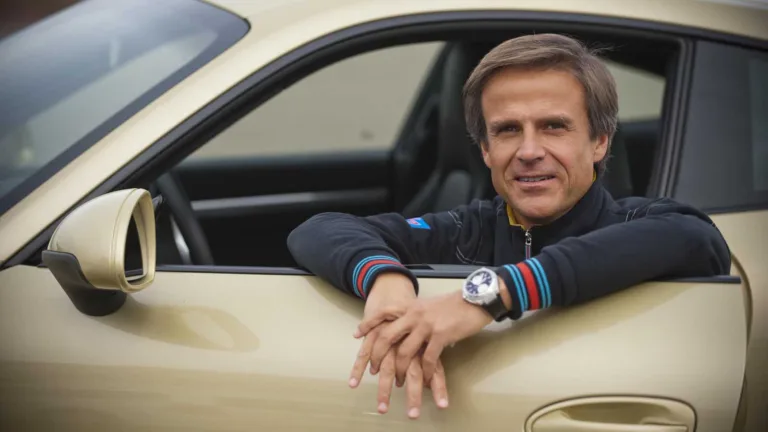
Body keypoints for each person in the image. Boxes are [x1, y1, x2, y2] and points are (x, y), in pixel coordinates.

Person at [286, 33, 731, 419]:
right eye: (507, 130)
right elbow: (319, 228)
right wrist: (386, 279)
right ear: (485, 150)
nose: (529, 151)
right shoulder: (469, 229)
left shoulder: (638, 222)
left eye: (553, 126)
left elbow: (697, 238)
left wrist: (492, 295)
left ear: (599, 142)